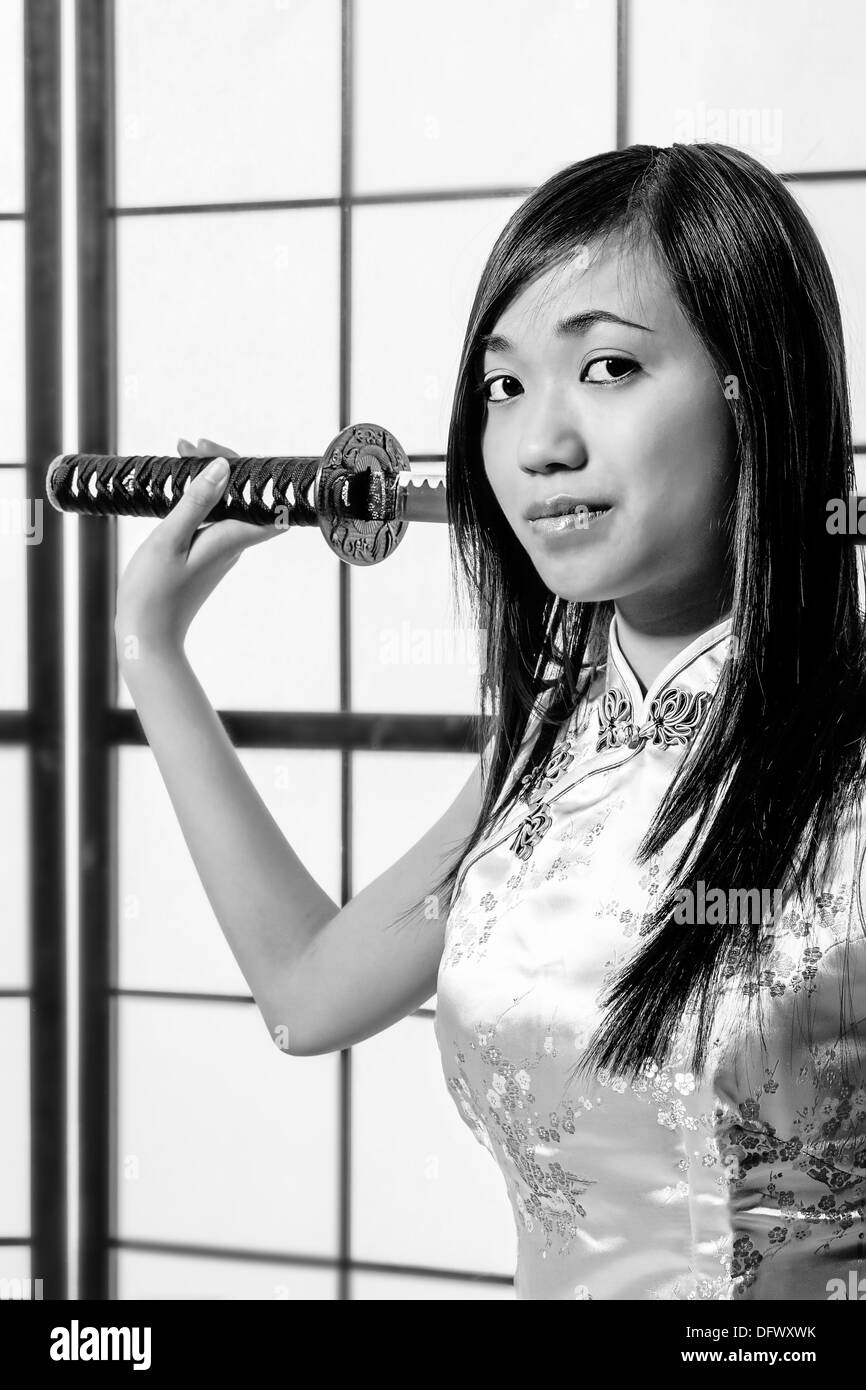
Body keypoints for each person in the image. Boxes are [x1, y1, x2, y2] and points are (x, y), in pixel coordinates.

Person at [115, 142, 866, 1301]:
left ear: (752, 389)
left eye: (608, 367)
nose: (535, 444)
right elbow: (306, 998)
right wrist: (151, 651)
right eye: (504, 386)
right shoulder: (546, 750)